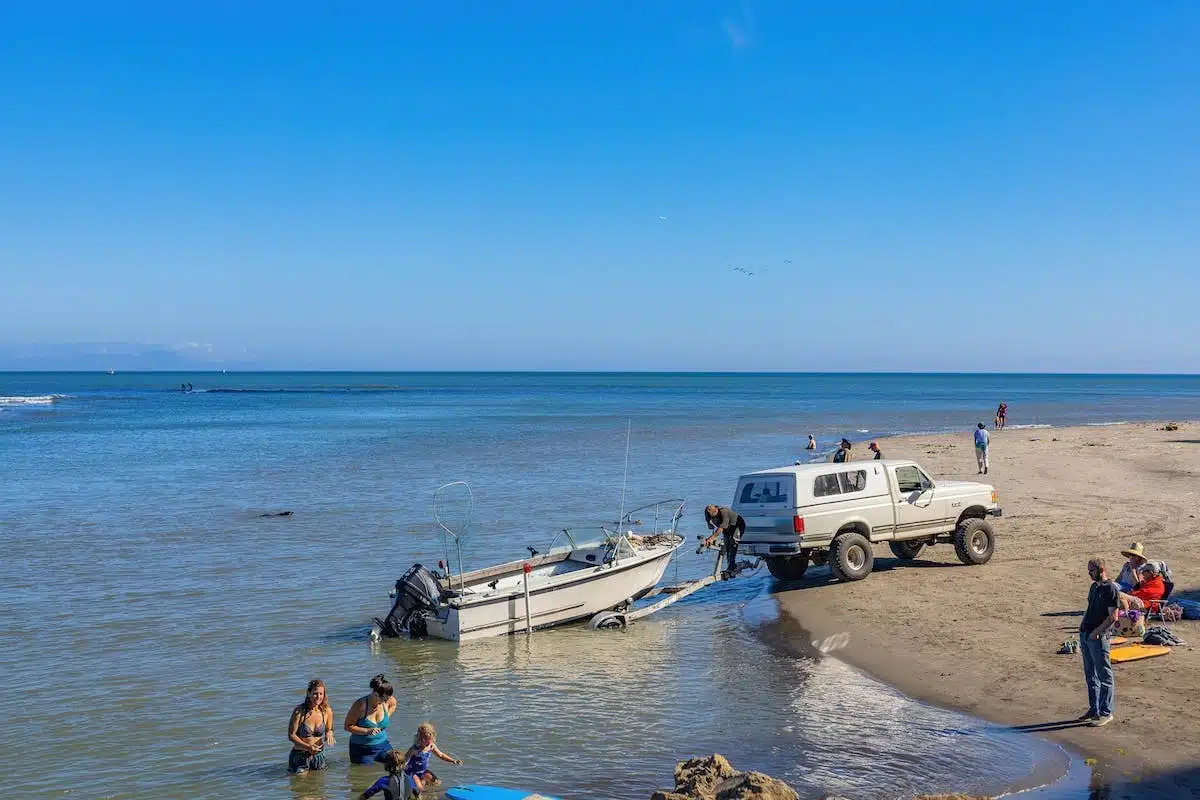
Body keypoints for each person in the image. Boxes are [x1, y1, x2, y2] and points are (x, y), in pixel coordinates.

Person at [1079, 558, 1119, 726]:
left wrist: (1097, 632)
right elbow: (1091, 608)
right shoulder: (1094, 587)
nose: (1089, 574)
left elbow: (1113, 616)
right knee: (1090, 675)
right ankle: (1094, 708)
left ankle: (1106, 711)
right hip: (1086, 633)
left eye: (1092, 571)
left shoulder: (1110, 588)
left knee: (1104, 675)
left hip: (1098, 636)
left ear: (1101, 569)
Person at [345, 674, 397, 764]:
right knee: (366, 776)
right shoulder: (360, 705)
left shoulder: (388, 700)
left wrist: (386, 717)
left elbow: (393, 704)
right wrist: (367, 731)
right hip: (362, 750)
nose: (385, 702)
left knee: (396, 763)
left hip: (383, 745)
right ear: (376, 694)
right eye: (383, 700)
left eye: (387, 699)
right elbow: (347, 726)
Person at [402, 722, 462, 797]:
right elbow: (404, 760)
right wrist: (399, 771)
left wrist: (453, 760)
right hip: (412, 772)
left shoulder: (431, 746)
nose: (428, 744)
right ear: (420, 738)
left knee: (436, 782)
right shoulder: (414, 749)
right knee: (420, 790)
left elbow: (441, 755)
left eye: (430, 741)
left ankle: (423, 783)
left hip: (423, 771)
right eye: (426, 742)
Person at [288, 679, 335, 773]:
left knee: (318, 785)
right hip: (300, 756)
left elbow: (329, 729)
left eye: (321, 694)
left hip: (318, 756)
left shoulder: (326, 711)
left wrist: (329, 733)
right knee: (301, 785)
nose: (318, 697)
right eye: (315, 693)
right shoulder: (299, 711)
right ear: (309, 693)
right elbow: (291, 735)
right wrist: (308, 747)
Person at [702, 505, 745, 579]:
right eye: (711, 515)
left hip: (737, 525)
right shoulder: (708, 513)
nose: (712, 516)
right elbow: (709, 523)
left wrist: (711, 538)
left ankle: (731, 567)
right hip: (727, 528)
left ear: (716, 510)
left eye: (714, 514)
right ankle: (731, 566)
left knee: (733, 543)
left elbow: (721, 528)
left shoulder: (723, 511)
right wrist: (709, 523)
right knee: (727, 544)